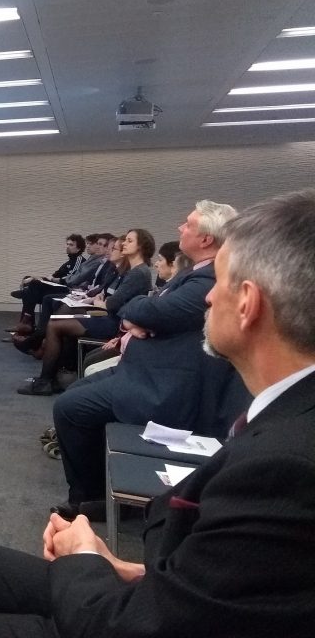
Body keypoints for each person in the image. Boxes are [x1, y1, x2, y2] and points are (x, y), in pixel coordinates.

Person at [0, 189, 315, 638]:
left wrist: (87, 558)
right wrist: (128, 568)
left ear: (247, 304)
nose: (208, 296)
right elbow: (222, 589)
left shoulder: (283, 466)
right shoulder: (286, 417)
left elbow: (141, 623)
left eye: (219, 283)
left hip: (121, 614)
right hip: (151, 590)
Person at [51, 201, 243, 515]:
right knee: (72, 395)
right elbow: (144, 308)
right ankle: (99, 484)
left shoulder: (210, 279)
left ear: (206, 238)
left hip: (164, 383)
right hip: (144, 368)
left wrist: (135, 314)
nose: (180, 228)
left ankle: (92, 497)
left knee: (70, 408)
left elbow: (147, 308)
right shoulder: (195, 273)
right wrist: (136, 316)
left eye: (188, 224)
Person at [16, 229, 154, 395]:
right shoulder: (134, 270)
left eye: (130, 241)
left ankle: (45, 381)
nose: (124, 243)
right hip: (109, 317)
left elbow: (112, 304)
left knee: (55, 325)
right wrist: (103, 301)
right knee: (62, 320)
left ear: (141, 247)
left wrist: (102, 302)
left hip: (114, 323)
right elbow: (112, 299)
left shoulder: (138, 272)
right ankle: (56, 376)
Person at [8, 234, 86, 331]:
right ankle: (26, 323)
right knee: (29, 282)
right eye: (67, 244)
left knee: (31, 289)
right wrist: (34, 277)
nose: (67, 246)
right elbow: (52, 276)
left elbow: (71, 279)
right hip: (58, 286)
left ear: (78, 248)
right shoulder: (68, 263)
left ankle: (26, 323)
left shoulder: (79, 261)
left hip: (67, 289)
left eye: (71, 245)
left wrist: (38, 279)